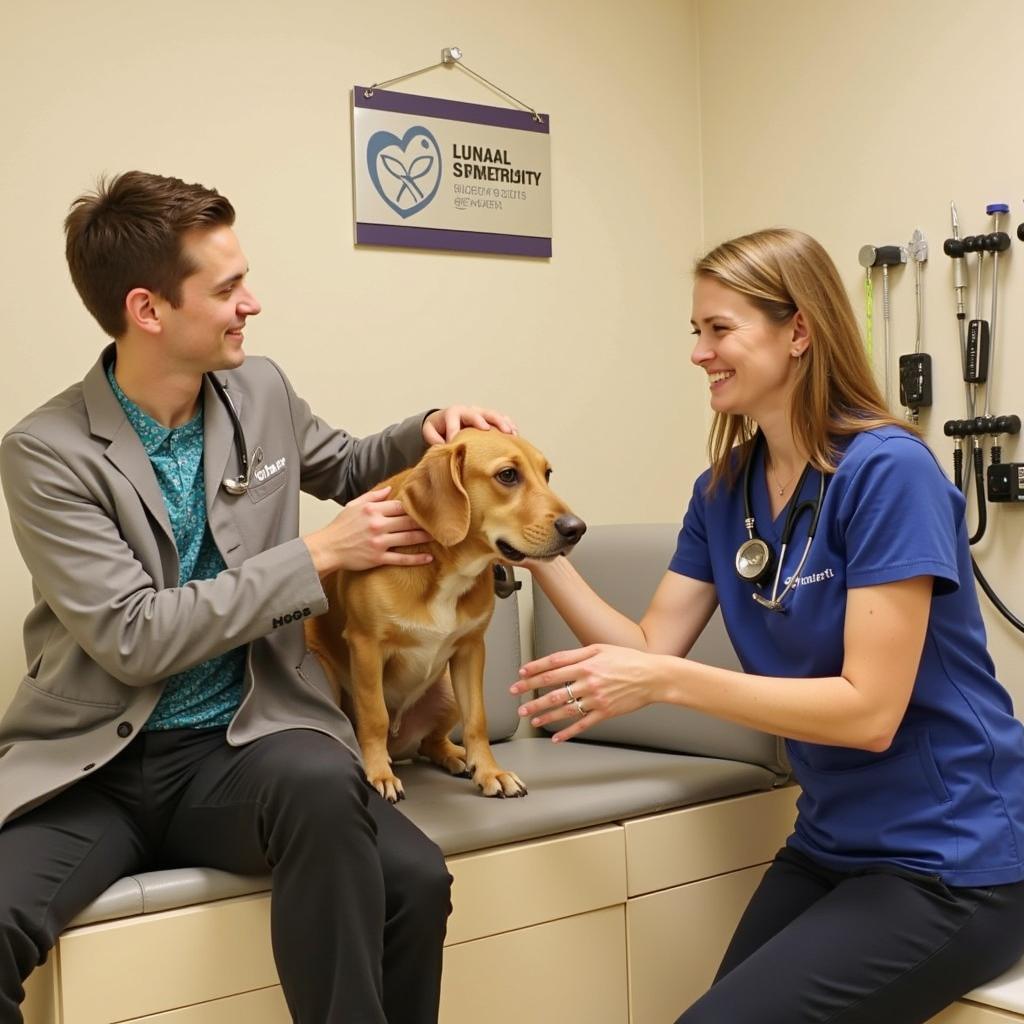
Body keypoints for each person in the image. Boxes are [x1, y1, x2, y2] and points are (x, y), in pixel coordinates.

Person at [0, 170, 517, 1024]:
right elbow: (134, 639)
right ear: (148, 310)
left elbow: (348, 464)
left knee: (406, 873)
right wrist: (315, 557)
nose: (253, 304)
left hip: (242, 747)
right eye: (229, 287)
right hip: (99, 766)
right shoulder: (45, 452)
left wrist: (431, 428)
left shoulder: (260, 391)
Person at [511, 228, 1024, 1023]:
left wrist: (667, 683)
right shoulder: (723, 491)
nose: (699, 353)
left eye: (719, 330)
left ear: (798, 332)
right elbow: (648, 647)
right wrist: (527, 545)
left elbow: (869, 711)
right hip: (830, 844)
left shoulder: (890, 474)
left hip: (952, 858)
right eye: (696, 332)